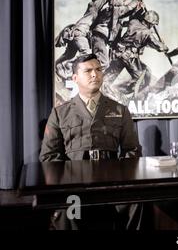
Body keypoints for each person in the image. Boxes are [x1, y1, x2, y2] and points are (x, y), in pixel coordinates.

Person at [40, 54, 143, 230]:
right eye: (88, 71)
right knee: (68, 209)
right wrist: (69, 179)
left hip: (112, 186)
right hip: (74, 186)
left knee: (137, 202)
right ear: (75, 78)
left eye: (98, 69)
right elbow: (49, 156)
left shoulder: (119, 110)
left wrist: (119, 176)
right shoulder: (60, 113)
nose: (95, 74)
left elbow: (132, 150)